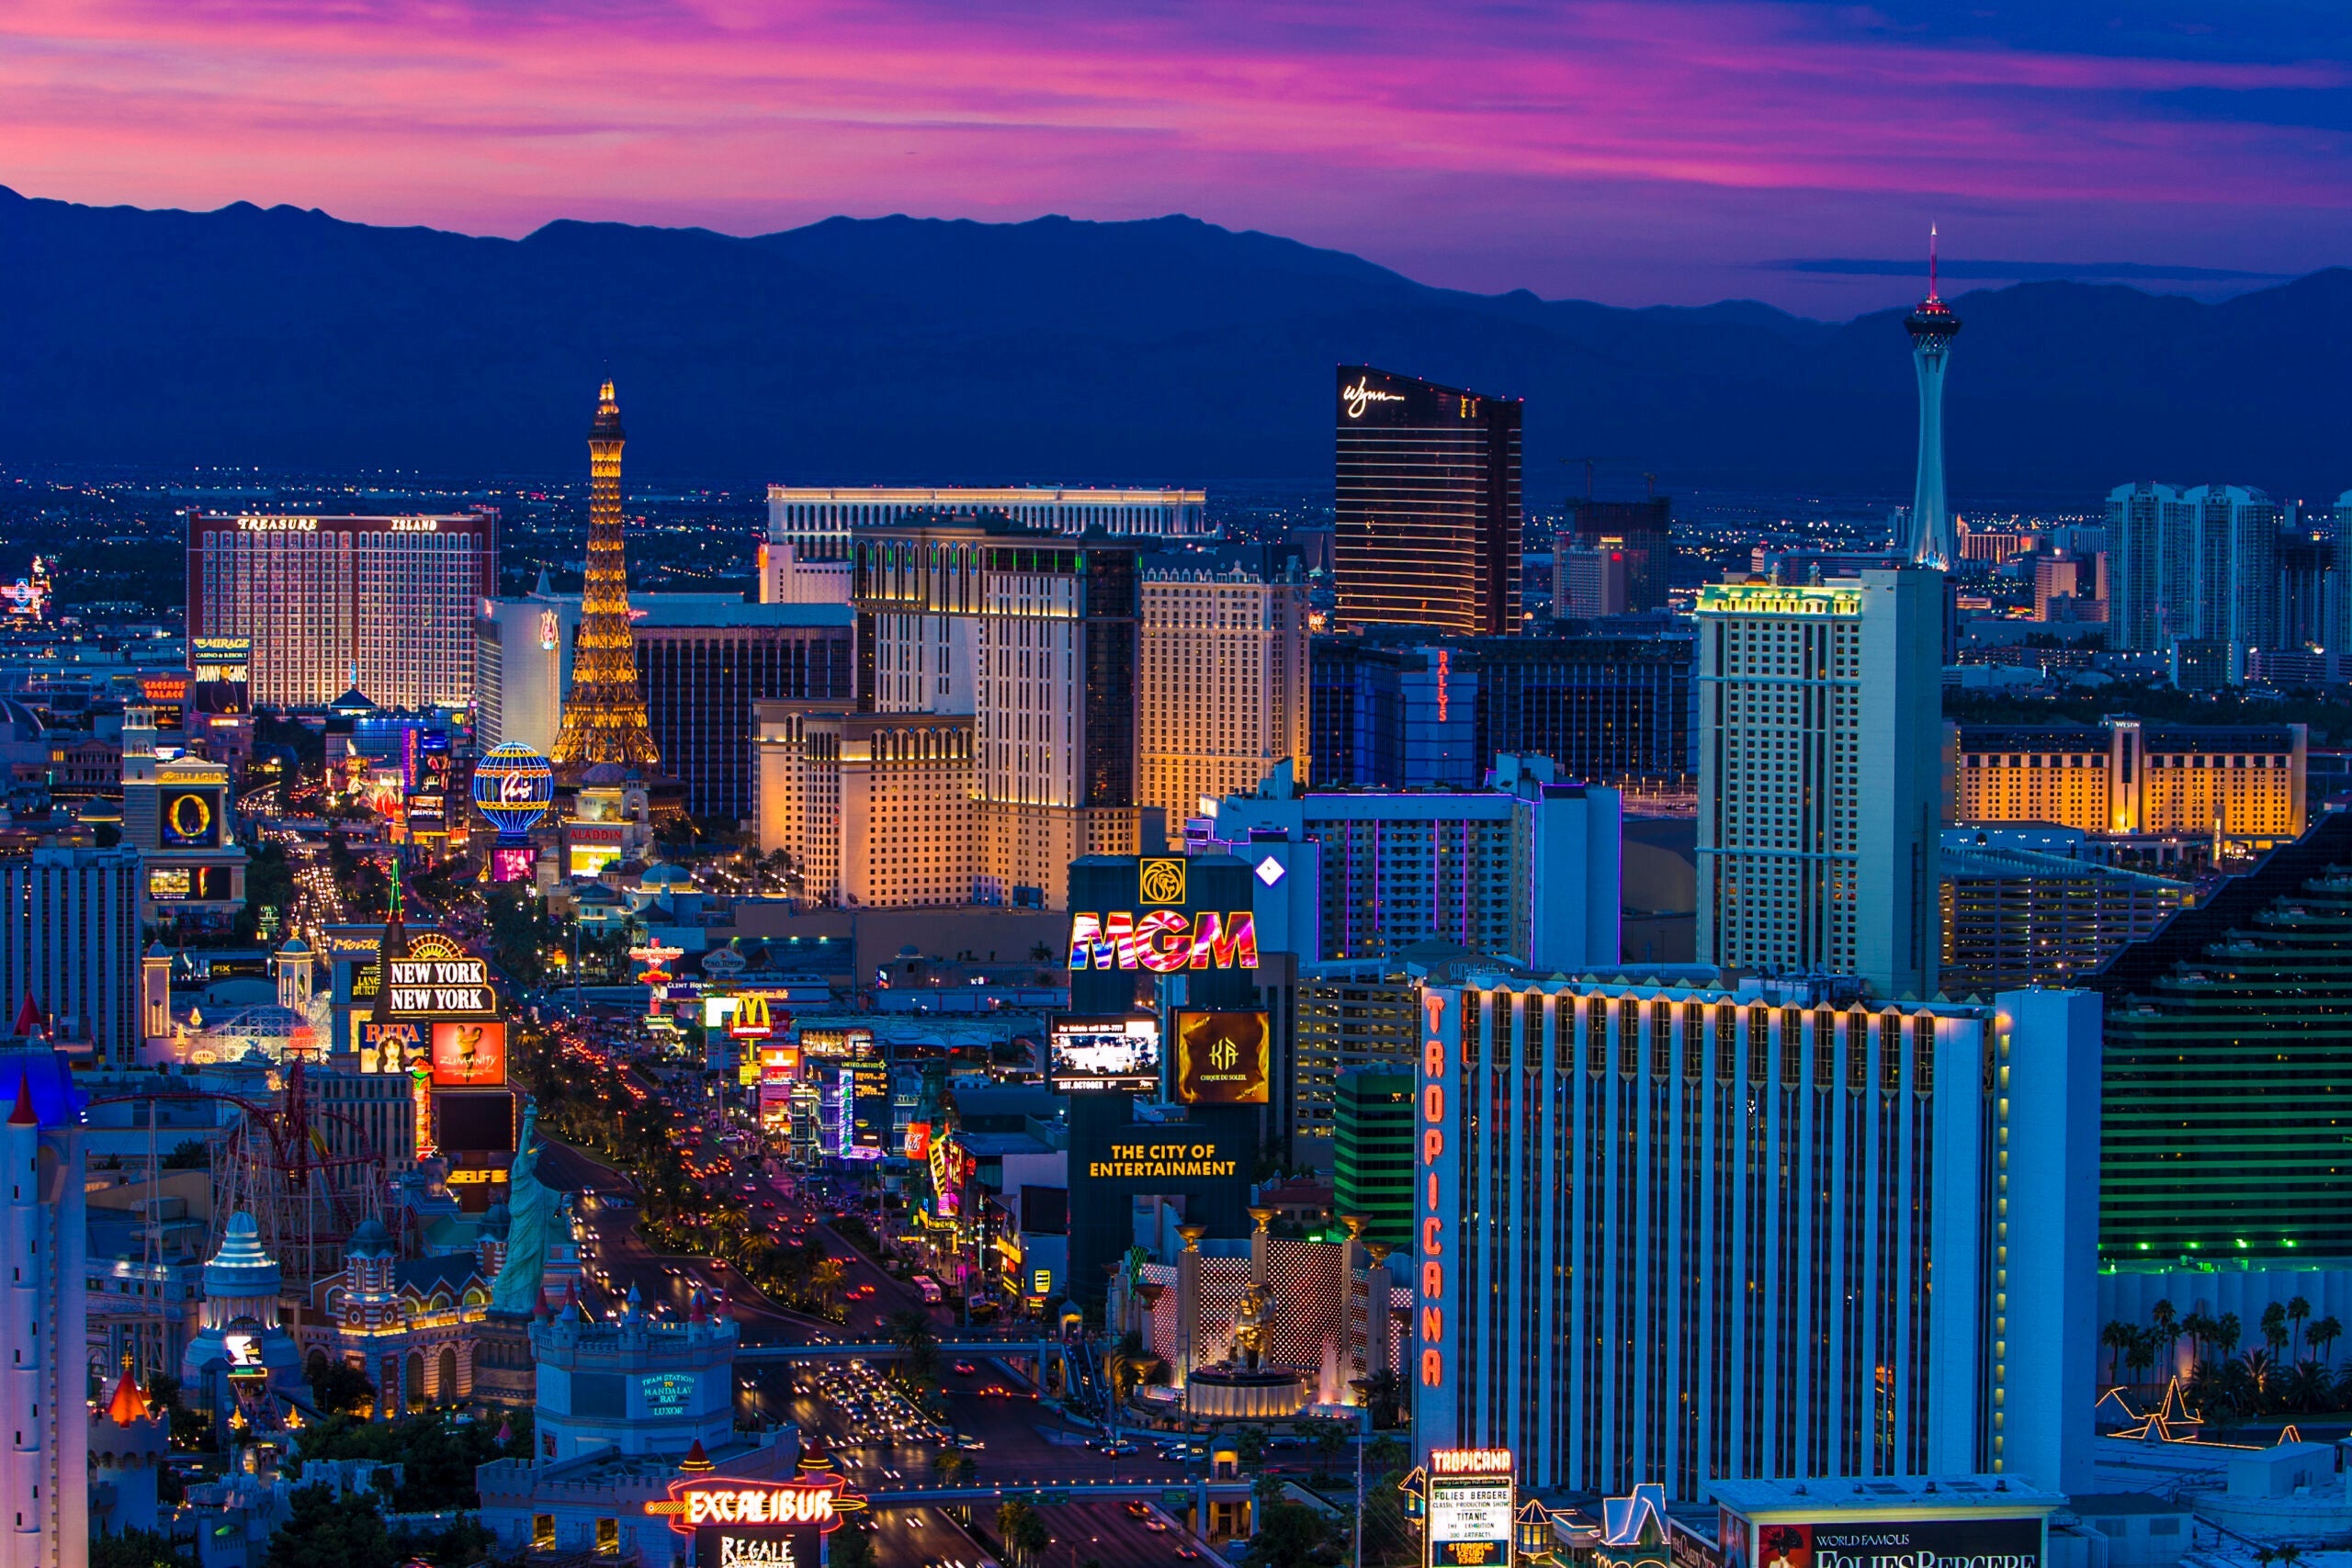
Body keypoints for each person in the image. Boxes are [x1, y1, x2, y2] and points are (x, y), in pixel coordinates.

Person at [490, 1098, 560, 1314]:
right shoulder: (520, 1177)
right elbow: (522, 1152)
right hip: (523, 1233)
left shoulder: (534, 1183)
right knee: (517, 1261)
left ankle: (526, 1301)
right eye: (532, 1159)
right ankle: (503, 1293)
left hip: (535, 1232)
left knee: (533, 1269)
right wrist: (529, 1120)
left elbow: (551, 1201)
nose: (534, 1162)